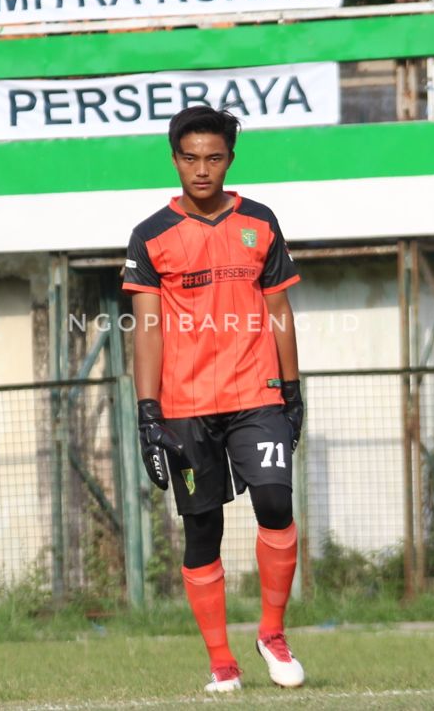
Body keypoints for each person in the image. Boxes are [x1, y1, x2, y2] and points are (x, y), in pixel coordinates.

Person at [121, 106, 306, 693]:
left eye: (214, 157)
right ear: (175, 159)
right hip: (185, 406)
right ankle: (222, 661)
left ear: (230, 158)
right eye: (190, 157)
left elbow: (279, 310)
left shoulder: (261, 222)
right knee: (203, 531)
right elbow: (145, 328)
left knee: (276, 503)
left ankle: (271, 632)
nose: (202, 169)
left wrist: (293, 387)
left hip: (257, 394)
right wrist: (147, 412)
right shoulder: (151, 236)